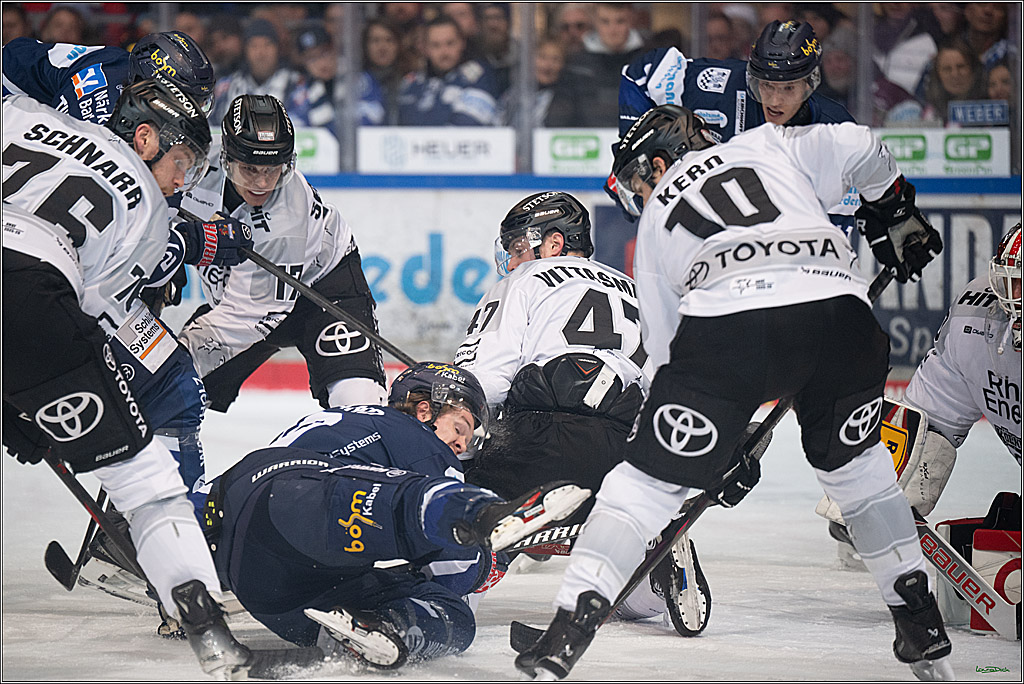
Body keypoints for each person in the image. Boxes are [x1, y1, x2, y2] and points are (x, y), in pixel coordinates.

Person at [515, 105, 951, 681]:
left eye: (640, 179)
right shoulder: (770, 145)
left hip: (732, 326)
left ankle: (569, 629)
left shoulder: (658, 216)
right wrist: (895, 211)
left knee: (641, 486)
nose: (641, 194)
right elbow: (861, 144)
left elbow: (669, 357)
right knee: (858, 471)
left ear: (662, 161)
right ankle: (918, 619)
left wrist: (710, 441)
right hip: (844, 320)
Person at [2, 79, 268, 679]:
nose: (183, 181)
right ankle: (193, 602)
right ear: (144, 138)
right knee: (154, 444)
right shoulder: (148, 206)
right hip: (35, 298)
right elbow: (93, 319)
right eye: (183, 164)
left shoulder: (26, 114)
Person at [206, 362, 588, 669]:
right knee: (416, 503)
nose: (461, 445)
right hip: (300, 505)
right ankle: (482, 514)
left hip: (258, 577)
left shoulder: (358, 425)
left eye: (467, 440)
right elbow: (452, 570)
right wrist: (484, 558)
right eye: (460, 427)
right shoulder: (411, 435)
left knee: (453, 614)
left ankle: (381, 627)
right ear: (425, 409)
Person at [454, 191, 712, 634]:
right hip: (624, 459)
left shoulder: (524, 280)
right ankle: (653, 557)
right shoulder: (639, 292)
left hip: (535, 446)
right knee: (628, 597)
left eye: (518, 248)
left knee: (452, 493)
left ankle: (473, 567)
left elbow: (482, 381)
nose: (514, 260)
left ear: (552, 243)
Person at [3, 31, 224, 514]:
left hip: (36, 264)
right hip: (47, 281)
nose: (190, 111)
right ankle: (165, 516)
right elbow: (137, 224)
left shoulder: (132, 116)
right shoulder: (100, 98)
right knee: (171, 382)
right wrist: (186, 246)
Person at [179, 94, 388, 420]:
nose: (262, 183)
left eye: (272, 169)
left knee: (362, 408)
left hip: (324, 293)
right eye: (250, 168)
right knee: (171, 395)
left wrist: (170, 359)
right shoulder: (194, 173)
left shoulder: (287, 213)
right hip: (241, 300)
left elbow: (251, 316)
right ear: (226, 158)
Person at [612, 20, 854, 222]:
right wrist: (633, 151)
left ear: (810, 83)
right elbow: (641, 73)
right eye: (766, 85)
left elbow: (839, 218)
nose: (775, 100)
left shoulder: (835, 130)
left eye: (788, 88)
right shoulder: (720, 86)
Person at [899, 223, 1022, 515]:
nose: (1014, 297)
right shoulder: (977, 316)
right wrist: (879, 492)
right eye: (1010, 281)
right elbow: (929, 421)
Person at [3, 29, 215, 124]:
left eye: (202, 102)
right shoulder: (101, 114)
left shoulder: (125, 66)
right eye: (188, 102)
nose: (195, 112)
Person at [546, 2, 646, 128]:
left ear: (631, 21)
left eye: (620, 21)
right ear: (595, 23)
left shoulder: (648, 62)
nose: (612, 29)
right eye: (605, 21)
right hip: (588, 145)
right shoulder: (576, 65)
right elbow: (556, 120)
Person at [397, 16, 500, 126]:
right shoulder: (412, 83)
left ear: (462, 43)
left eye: (450, 43)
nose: (444, 52)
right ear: (425, 49)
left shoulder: (478, 75)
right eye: (436, 45)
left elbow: (468, 126)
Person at [209, 18, 301, 123]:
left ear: (278, 48)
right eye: (254, 46)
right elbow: (211, 127)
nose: (261, 53)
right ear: (245, 50)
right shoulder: (226, 87)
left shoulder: (297, 83)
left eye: (267, 44)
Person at [922, 38, 986, 124]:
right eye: (947, 69)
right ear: (938, 75)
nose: (955, 75)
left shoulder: (988, 108)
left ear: (973, 69)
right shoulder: (929, 113)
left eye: (961, 66)